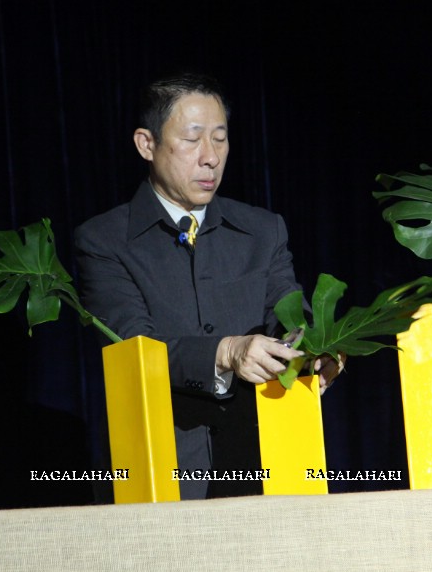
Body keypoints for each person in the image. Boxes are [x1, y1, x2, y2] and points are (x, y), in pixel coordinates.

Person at [74, 72, 339, 500]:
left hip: (266, 461)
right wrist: (226, 353)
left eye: (220, 138)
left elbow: (290, 315)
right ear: (146, 144)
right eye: (193, 139)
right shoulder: (104, 240)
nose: (211, 157)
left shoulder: (262, 230)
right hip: (165, 467)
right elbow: (133, 344)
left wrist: (317, 349)